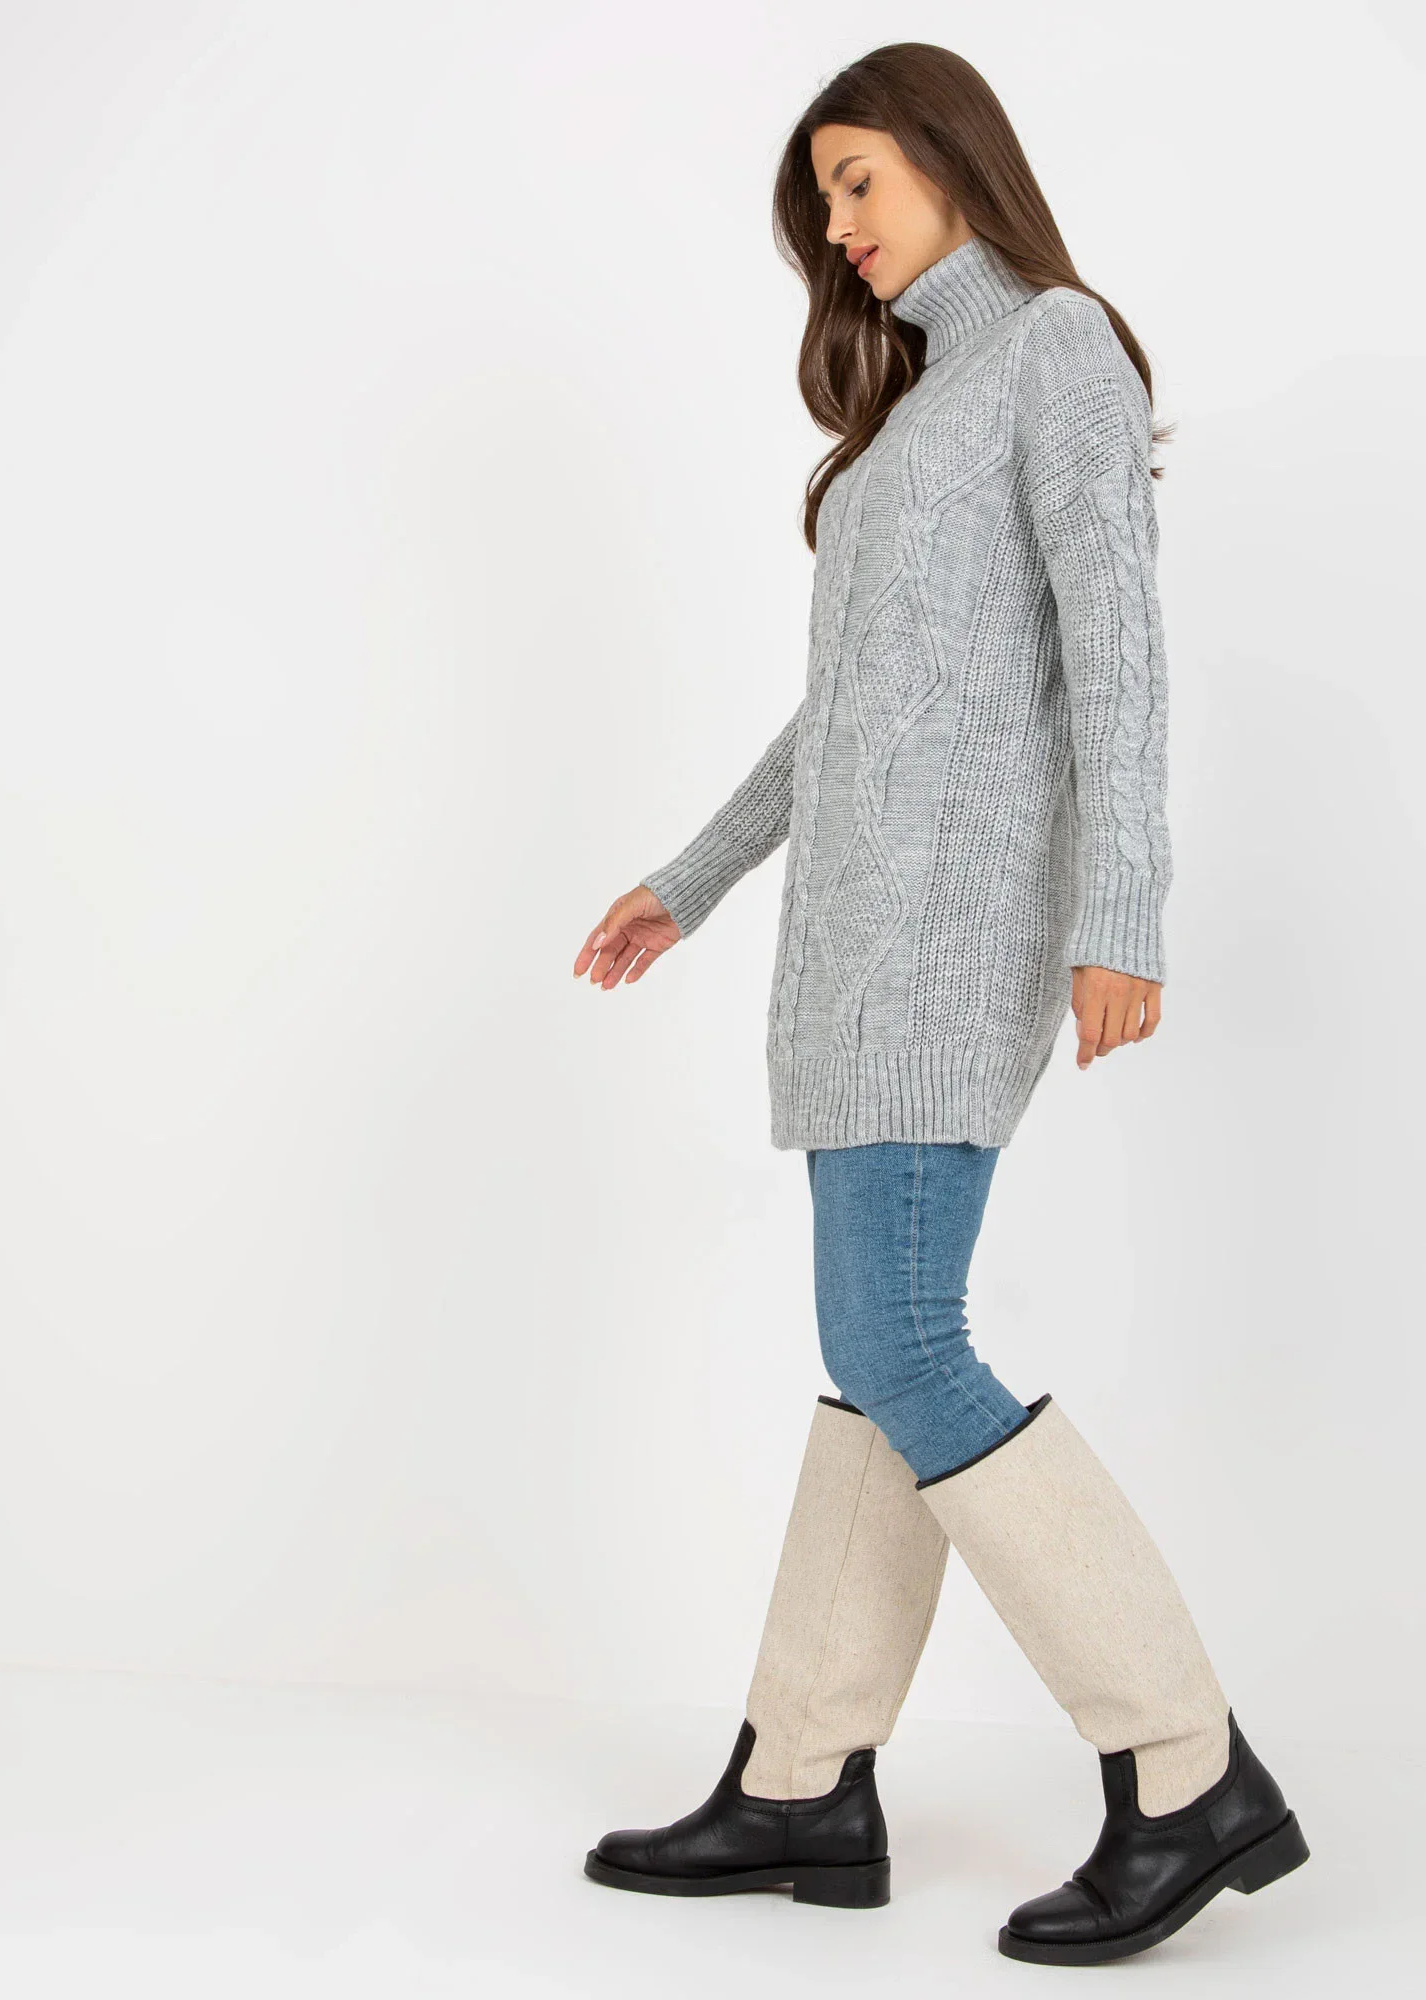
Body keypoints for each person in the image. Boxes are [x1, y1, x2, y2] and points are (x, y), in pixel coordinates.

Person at [570, 41, 1306, 1967]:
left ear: (953, 158)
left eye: (858, 179)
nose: (839, 224)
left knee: (904, 1337)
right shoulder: (917, 412)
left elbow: (1119, 655)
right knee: (873, 1349)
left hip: (949, 943)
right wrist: (690, 878)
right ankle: (803, 1780)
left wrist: (1121, 912)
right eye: (820, 199)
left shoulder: (1055, 350)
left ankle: (1187, 1765)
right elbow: (846, 717)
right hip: (848, 949)